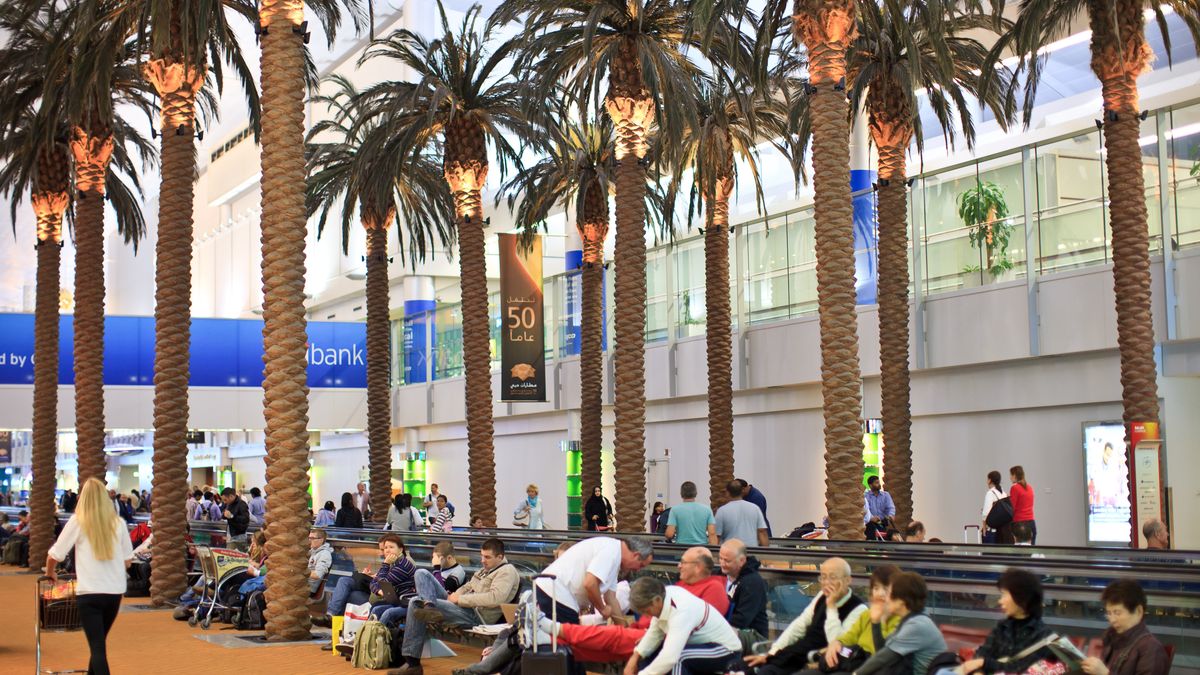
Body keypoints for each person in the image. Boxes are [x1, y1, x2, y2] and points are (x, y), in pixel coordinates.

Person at [392, 538, 521, 674]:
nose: (483, 560)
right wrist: (452, 596)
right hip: (461, 607)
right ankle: (429, 606)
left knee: (415, 603)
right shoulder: (485, 570)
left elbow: (495, 598)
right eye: (482, 556)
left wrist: (459, 599)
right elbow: (467, 586)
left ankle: (412, 664)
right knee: (421, 573)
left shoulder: (507, 571)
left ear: (500, 557)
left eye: (487, 557)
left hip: (475, 616)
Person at [45, 477, 134, 675]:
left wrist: (50, 572)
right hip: (113, 593)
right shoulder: (118, 523)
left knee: (97, 648)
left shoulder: (78, 521)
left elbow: (55, 554)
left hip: (89, 593)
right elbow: (128, 560)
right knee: (98, 644)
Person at [744, 558, 865, 675]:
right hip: (796, 653)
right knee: (747, 667)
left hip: (815, 660)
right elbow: (799, 625)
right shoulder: (821, 595)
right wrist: (772, 653)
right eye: (823, 577)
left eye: (832, 577)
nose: (827, 582)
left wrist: (832, 608)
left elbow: (836, 645)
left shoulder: (858, 609)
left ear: (848, 580)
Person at [625, 576, 743, 675]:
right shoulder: (664, 595)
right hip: (701, 646)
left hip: (727, 650)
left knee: (679, 658)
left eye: (646, 611)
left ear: (656, 600)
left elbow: (670, 658)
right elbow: (655, 633)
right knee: (649, 654)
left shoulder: (682, 610)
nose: (646, 615)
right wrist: (635, 657)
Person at [955, 568, 1055, 674]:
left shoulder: (1043, 636)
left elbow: (1020, 670)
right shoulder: (1002, 627)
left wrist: (984, 663)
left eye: (1004, 594)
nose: (1000, 601)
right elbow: (982, 654)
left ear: (1021, 597)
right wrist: (979, 670)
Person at [536, 535, 654, 625]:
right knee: (568, 642)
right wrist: (602, 609)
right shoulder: (611, 551)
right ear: (636, 555)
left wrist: (624, 629)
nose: (638, 570)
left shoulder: (614, 555)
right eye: (641, 565)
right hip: (555, 592)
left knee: (567, 641)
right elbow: (590, 583)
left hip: (554, 591)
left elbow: (611, 598)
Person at [854, 572, 947, 675]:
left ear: (901, 601)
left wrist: (856, 674)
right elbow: (882, 651)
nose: (885, 598)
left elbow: (883, 658)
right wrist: (876, 622)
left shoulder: (917, 625)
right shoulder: (909, 620)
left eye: (889, 594)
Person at [816, 564, 902, 673]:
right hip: (855, 661)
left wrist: (878, 620)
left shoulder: (900, 620)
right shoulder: (866, 615)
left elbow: (884, 655)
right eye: (876, 588)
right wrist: (837, 642)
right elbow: (849, 636)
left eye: (886, 589)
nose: (880, 594)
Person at [317, 534, 416, 625]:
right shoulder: (394, 562)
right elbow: (379, 582)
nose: (385, 551)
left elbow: (383, 582)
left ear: (400, 549)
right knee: (345, 582)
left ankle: (337, 623)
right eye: (385, 548)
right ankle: (334, 621)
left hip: (394, 600)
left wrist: (383, 567)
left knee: (352, 595)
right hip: (383, 595)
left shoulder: (402, 564)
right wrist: (377, 582)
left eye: (391, 547)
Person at [1081, 580, 1170, 675]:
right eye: (1109, 613)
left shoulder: (1151, 649)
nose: (1112, 620)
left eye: (1117, 613)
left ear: (1139, 611)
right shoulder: (1111, 637)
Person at [376, 541, 468, 628]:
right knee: (377, 609)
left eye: (438, 558)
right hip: (424, 602)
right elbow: (378, 582)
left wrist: (436, 568)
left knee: (390, 613)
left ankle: (380, 636)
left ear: (449, 558)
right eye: (433, 557)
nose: (434, 561)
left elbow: (442, 593)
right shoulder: (442, 569)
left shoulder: (457, 573)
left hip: (444, 607)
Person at [719, 539, 769, 639]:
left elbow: (742, 619)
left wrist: (712, 625)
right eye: (720, 558)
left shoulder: (753, 582)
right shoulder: (718, 575)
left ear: (741, 561)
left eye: (727, 561)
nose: (722, 564)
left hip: (752, 635)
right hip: (725, 628)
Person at [676, 547, 730, 615]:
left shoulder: (714, 588)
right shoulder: (681, 583)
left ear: (698, 567)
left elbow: (704, 620)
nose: (679, 566)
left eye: (683, 562)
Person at [714, 480, 768, 547]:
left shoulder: (722, 511)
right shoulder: (755, 508)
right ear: (742, 491)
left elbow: (716, 536)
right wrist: (766, 554)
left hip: (730, 552)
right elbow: (762, 532)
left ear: (728, 493)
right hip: (751, 551)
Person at [665, 481, 718, 546]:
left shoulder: (675, 510)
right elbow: (712, 533)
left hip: (681, 549)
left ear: (681, 493)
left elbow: (669, 534)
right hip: (701, 548)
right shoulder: (707, 509)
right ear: (696, 493)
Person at [982, 470, 1013, 544]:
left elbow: (985, 513)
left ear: (990, 480)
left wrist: (984, 528)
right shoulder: (1003, 493)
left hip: (992, 531)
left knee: (990, 553)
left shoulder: (990, 493)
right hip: (1003, 531)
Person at [1009, 465, 1036, 545]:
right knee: (1030, 553)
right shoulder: (1029, 487)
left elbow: (1012, 507)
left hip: (1020, 524)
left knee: (1018, 554)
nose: (1010, 477)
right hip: (1031, 523)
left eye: (1010, 475)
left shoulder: (1015, 488)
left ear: (1014, 475)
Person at [307, 528, 334, 594]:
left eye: (313, 538)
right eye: (309, 538)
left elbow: (317, 575)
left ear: (321, 540)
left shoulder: (325, 554)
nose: (309, 540)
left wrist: (299, 572)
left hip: (308, 589)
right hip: (300, 584)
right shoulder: (312, 551)